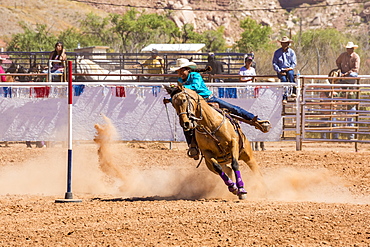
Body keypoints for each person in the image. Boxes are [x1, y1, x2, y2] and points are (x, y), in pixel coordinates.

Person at [164, 58, 271, 160]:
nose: (180, 73)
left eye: (181, 70)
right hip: (195, 105)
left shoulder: (195, 76)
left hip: (208, 99)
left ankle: (257, 121)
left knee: (234, 109)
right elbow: (181, 95)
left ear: (187, 69)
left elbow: (195, 87)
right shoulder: (180, 81)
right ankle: (193, 146)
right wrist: (170, 98)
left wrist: (180, 88)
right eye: (178, 71)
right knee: (186, 123)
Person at [333, 41, 360, 140]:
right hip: (343, 76)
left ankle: (350, 136)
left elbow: (355, 70)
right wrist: (339, 70)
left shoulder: (356, 57)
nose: (350, 49)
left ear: (353, 49)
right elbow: (337, 61)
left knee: (353, 76)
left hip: (349, 76)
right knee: (339, 109)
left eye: (351, 48)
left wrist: (345, 74)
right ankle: (338, 135)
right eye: (348, 48)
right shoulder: (342, 55)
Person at [272, 36, 297, 104]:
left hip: (289, 69)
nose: (285, 45)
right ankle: (284, 97)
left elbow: (294, 63)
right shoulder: (277, 53)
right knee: (284, 80)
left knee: (291, 75)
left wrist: (289, 68)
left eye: (286, 43)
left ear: (288, 44)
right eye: (283, 43)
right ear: (281, 44)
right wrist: (279, 71)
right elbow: (274, 63)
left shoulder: (291, 52)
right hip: (281, 70)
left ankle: (293, 91)